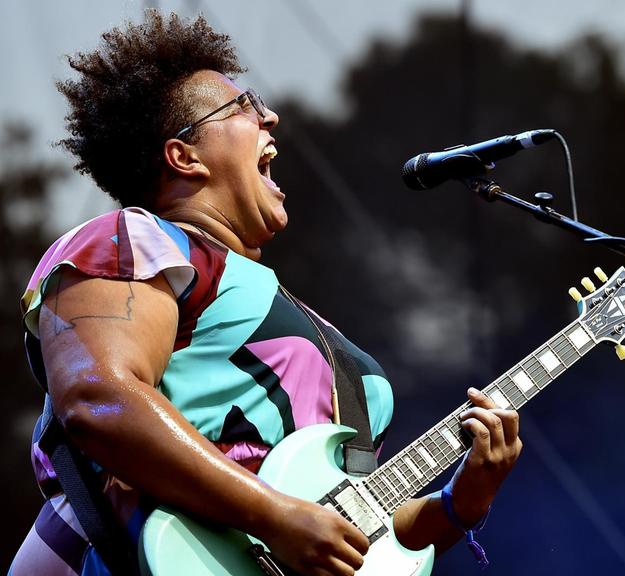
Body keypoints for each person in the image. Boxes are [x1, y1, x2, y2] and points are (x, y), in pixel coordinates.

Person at [11, 11, 522, 576]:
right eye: (242, 106)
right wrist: (275, 514)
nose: (269, 115)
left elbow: (354, 537)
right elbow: (97, 400)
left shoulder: (319, 337)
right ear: (185, 156)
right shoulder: (134, 240)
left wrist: (463, 503)